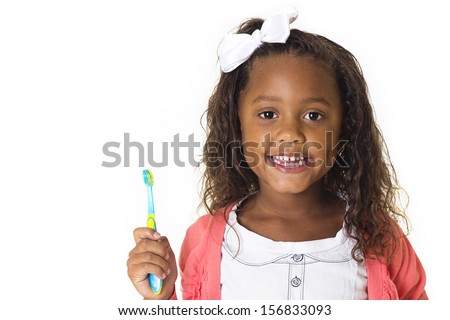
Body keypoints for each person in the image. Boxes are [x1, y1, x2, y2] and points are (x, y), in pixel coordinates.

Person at [127, 8, 427, 300]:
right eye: (268, 113)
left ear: (346, 126)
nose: (290, 134)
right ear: (237, 123)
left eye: (313, 115)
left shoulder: (381, 237)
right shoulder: (203, 241)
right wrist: (161, 299)